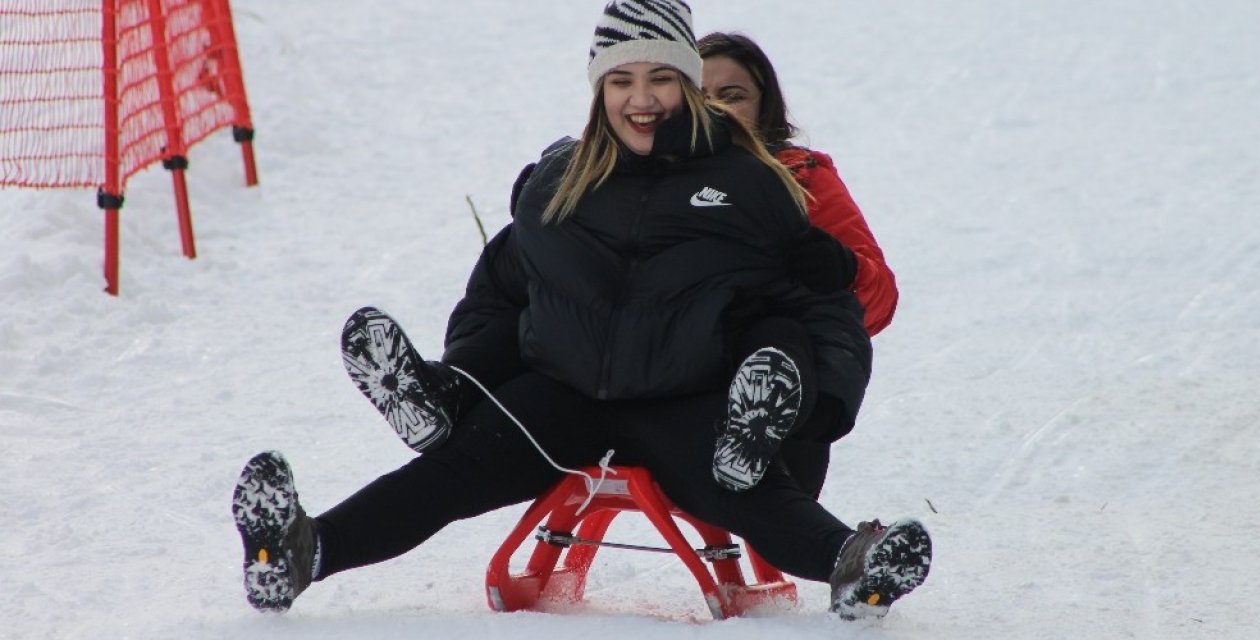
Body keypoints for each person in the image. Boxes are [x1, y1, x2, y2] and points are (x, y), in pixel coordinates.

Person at [233, 0, 931, 622]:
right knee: (446, 477)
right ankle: (302, 549)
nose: (642, 99)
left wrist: (812, 416)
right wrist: (468, 371)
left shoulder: (753, 185)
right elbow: (501, 286)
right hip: (565, 398)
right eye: (622, 80)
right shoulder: (559, 182)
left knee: (743, 487)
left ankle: (853, 561)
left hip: (683, 398)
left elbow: (820, 317)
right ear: (599, 89)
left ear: (688, 87)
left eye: (660, 78)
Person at [698, 31, 900, 497]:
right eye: (699, 96)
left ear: (764, 107)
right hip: (674, 373)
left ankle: (763, 426)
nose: (716, 110)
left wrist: (843, 269)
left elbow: (880, 298)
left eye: (733, 96)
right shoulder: (640, 178)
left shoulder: (801, 178)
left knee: (782, 337)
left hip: (780, 387)